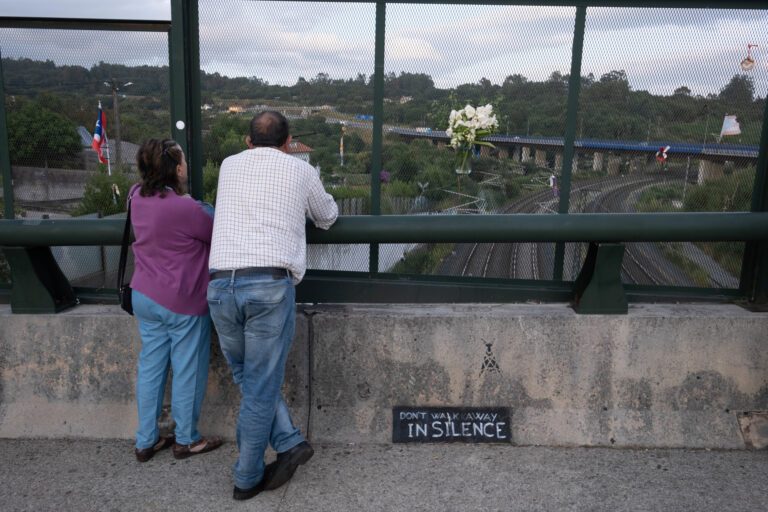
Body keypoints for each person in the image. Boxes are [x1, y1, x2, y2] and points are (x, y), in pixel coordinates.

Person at [208, 111, 338, 500]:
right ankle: (247, 477)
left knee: (248, 377)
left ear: (248, 141)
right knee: (260, 385)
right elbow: (328, 216)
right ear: (288, 142)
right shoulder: (300, 169)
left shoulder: (228, 165)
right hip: (267, 284)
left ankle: (290, 441)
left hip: (219, 285)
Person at [130, 138, 223, 462]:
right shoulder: (185, 208)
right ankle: (186, 439)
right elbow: (214, 226)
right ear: (176, 168)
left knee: (151, 367)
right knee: (187, 369)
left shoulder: (134, 197)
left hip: (144, 295)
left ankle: (145, 441)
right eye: (182, 160)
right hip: (181, 300)